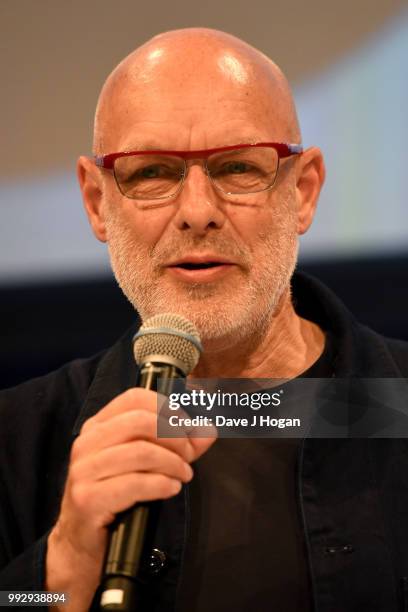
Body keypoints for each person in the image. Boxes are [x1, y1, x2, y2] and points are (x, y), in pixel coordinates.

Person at [0, 27, 407, 612]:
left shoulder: (399, 403)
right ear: (97, 203)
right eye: (151, 173)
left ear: (305, 191)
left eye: (238, 167)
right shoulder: (17, 441)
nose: (196, 212)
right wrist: (61, 567)